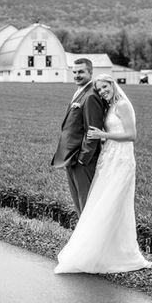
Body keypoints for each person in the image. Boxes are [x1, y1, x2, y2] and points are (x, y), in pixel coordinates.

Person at [54, 73, 152, 274]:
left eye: (105, 87)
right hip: (108, 159)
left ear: (113, 84)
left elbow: (132, 135)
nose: (103, 92)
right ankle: (100, 250)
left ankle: (117, 254)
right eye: (99, 90)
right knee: (101, 203)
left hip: (121, 161)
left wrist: (102, 135)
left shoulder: (123, 105)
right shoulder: (109, 107)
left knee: (113, 204)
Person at [51, 58, 107, 216]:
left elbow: (93, 130)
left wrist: (83, 159)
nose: (76, 75)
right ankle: (83, 238)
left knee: (86, 205)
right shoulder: (81, 91)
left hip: (82, 160)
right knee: (79, 205)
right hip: (72, 157)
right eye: (74, 72)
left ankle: (91, 239)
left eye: (81, 72)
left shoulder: (90, 96)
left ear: (91, 72)